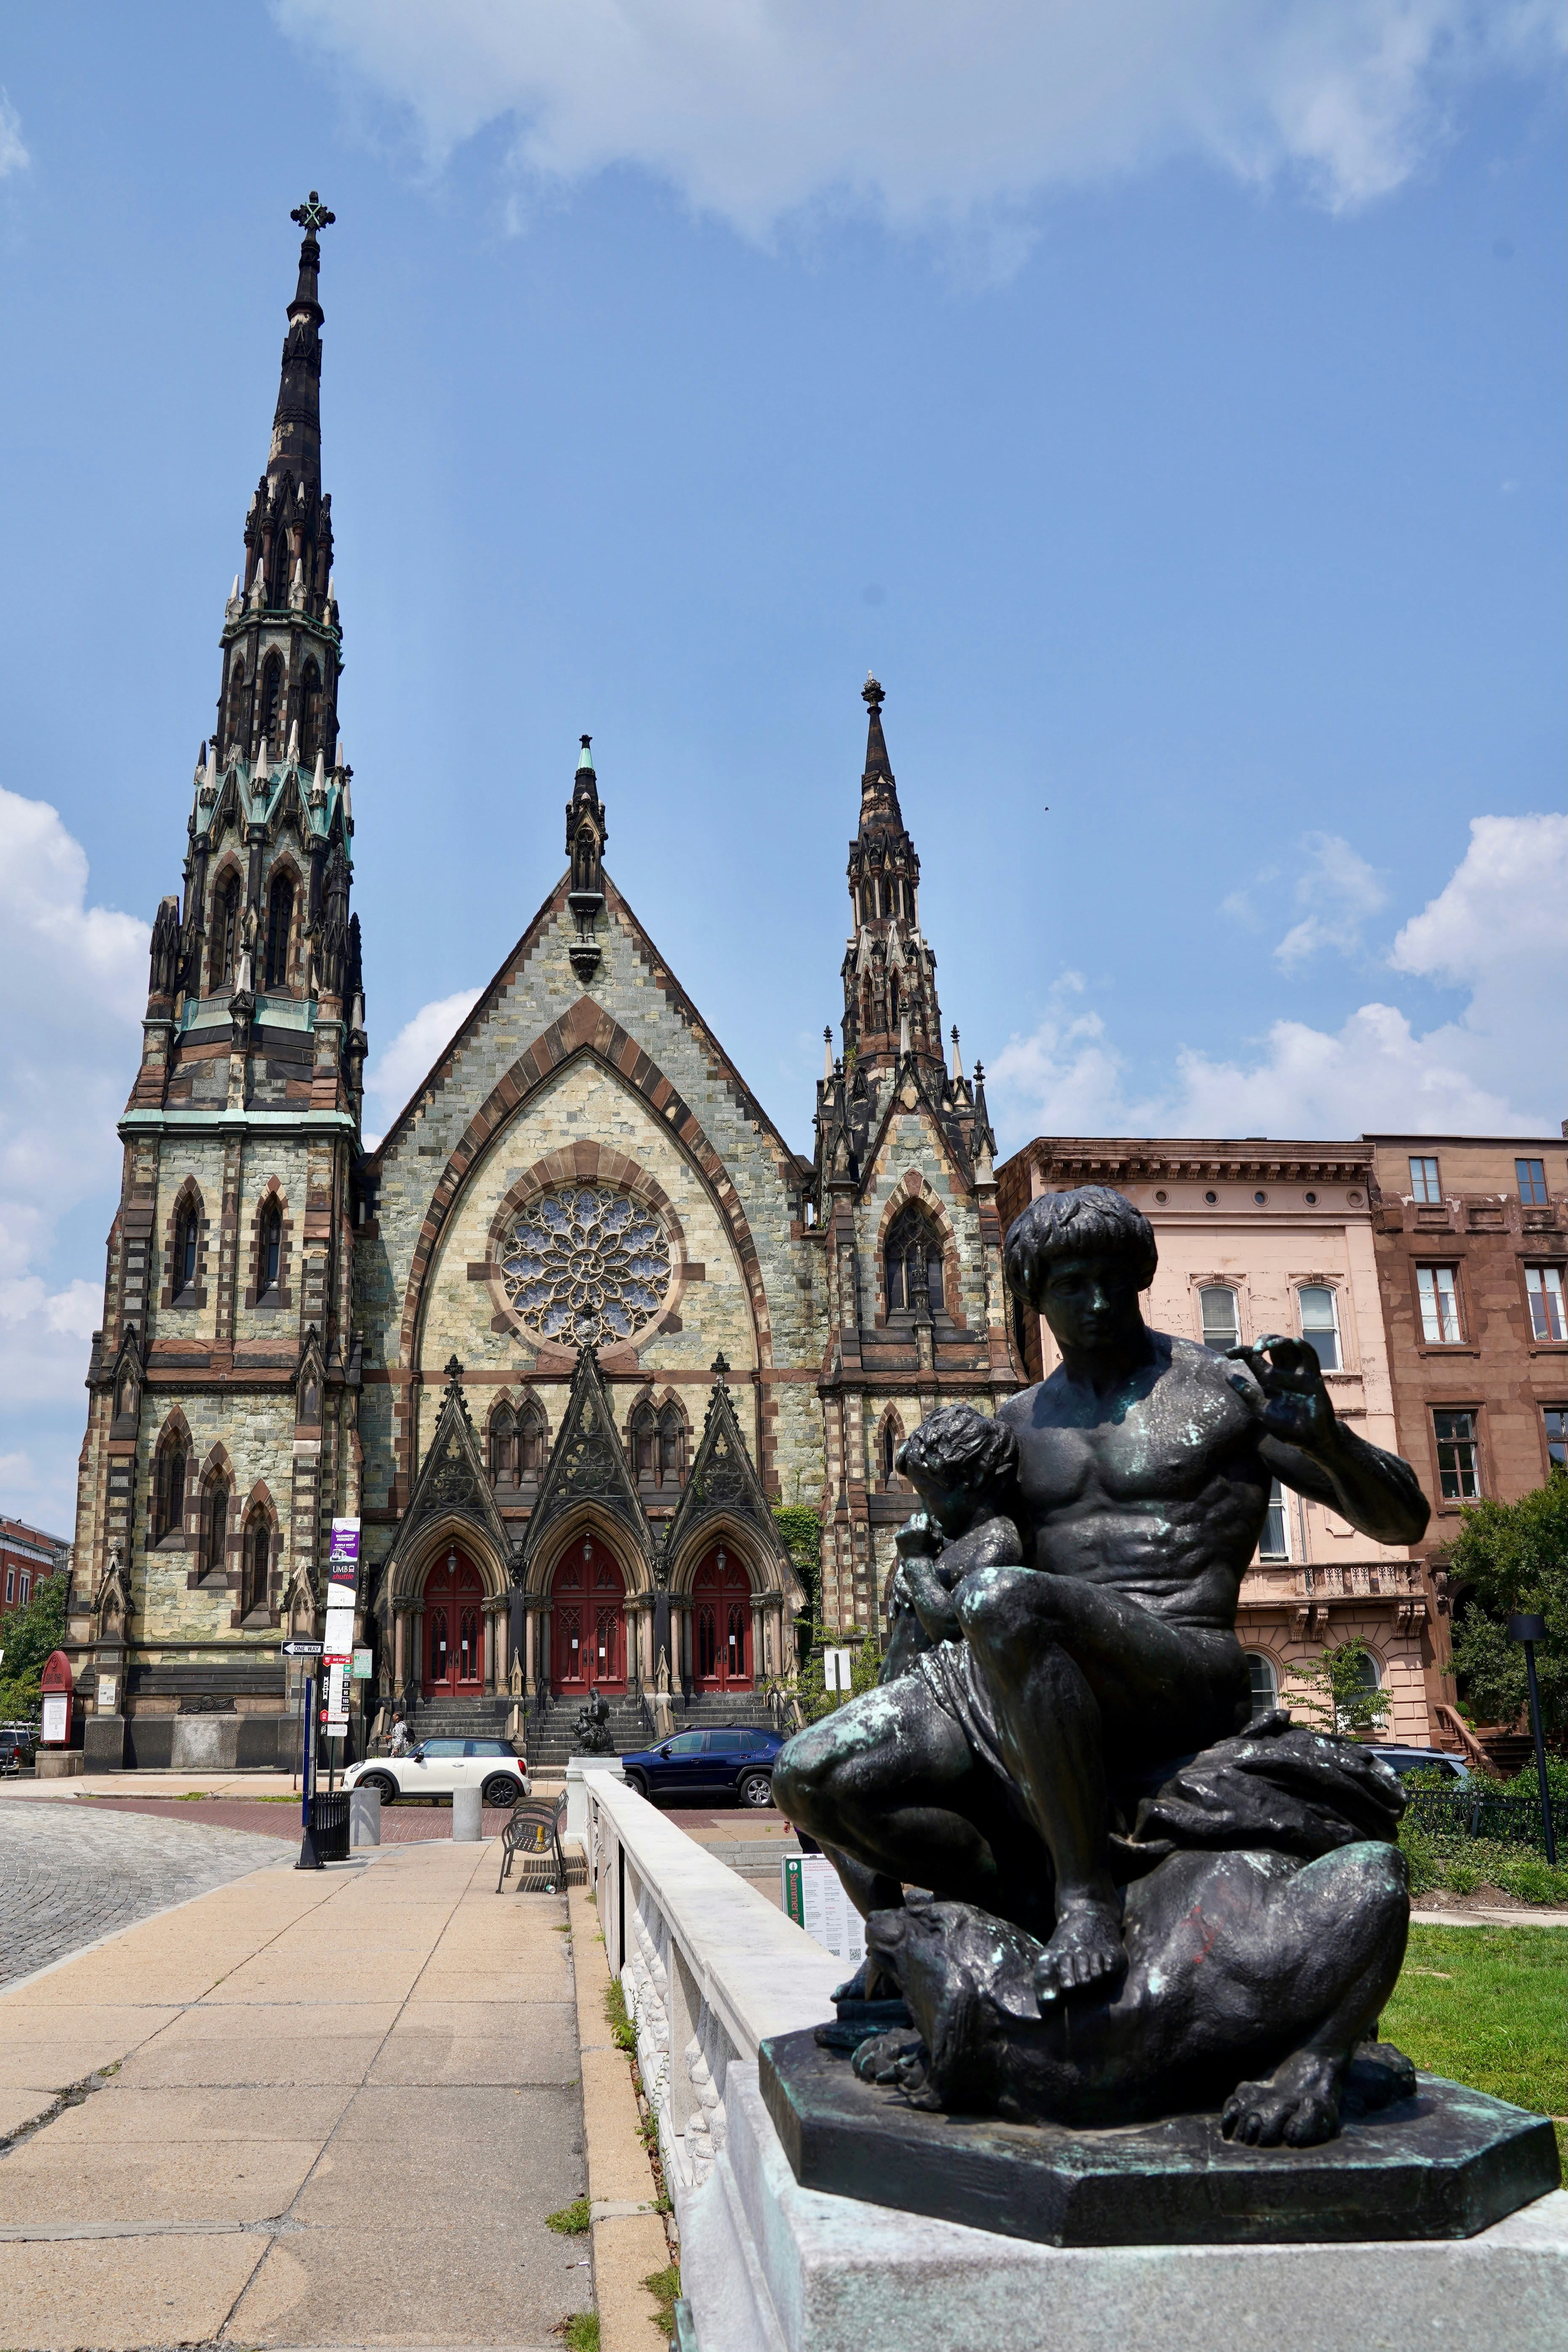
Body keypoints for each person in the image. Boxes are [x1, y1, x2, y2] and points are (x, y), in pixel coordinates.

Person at [772, 1184, 1429, 2009]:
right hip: (1041, 1671)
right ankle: (1014, 1899)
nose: (1095, 1301)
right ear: (1033, 1297)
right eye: (1071, 1284)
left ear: (1141, 1278)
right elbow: (973, 1573)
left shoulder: (1222, 1391)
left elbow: (1402, 1520)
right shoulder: (1016, 1425)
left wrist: (1327, 1440)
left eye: (1113, 1279)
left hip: (1180, 1666)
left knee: (1005, 1600)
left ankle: (1085, 1902)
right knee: (809, 1775)